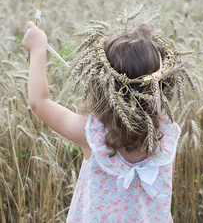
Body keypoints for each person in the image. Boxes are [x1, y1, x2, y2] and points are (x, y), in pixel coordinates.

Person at [22, 18, 193, 222]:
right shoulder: (166, 141)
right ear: (162, 86)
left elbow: (40, 102)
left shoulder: (93, 138)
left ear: (101, 87)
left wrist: (37, 48)